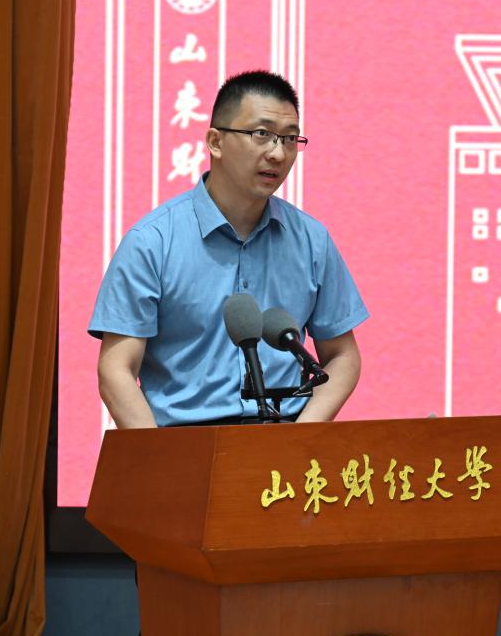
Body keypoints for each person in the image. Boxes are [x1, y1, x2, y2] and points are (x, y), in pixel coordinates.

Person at [89, 70, 368, 428]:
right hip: (185, 440)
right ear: (216, 142)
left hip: (284, 437)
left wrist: (301, 437)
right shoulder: (152, 241)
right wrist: (158, 453)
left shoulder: (312, 240)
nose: (277, 153)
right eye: (262, 134)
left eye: (289, 139)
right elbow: (116, 369)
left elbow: (343, 356)